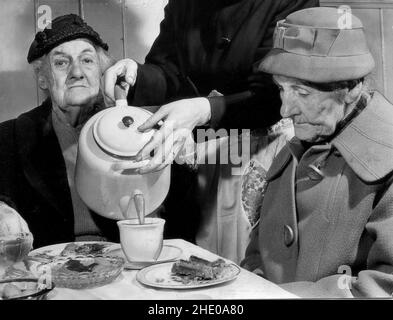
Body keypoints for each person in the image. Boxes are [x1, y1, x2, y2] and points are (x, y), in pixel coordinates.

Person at [104, 0, 318, 242]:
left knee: (247, 258)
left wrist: (205, 109)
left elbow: (275, 96)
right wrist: (136, 76)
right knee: (191, 257)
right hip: (196, 153)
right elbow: (168, 72)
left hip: (260, 156)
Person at [241, 7, 393, 298]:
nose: (286, 110)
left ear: (350, 88)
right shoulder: (299, 145)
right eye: (281, 90)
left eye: (302, 93)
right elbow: (258, 255)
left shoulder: (387, 159)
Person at [0, 14, 119, 248]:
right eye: (62, 63)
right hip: (51, 270)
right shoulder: (10, 137)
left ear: (100, 73)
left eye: (87, 60)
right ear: (43, 79)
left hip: (123, 264)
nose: (77, 72)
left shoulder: (127, 129)